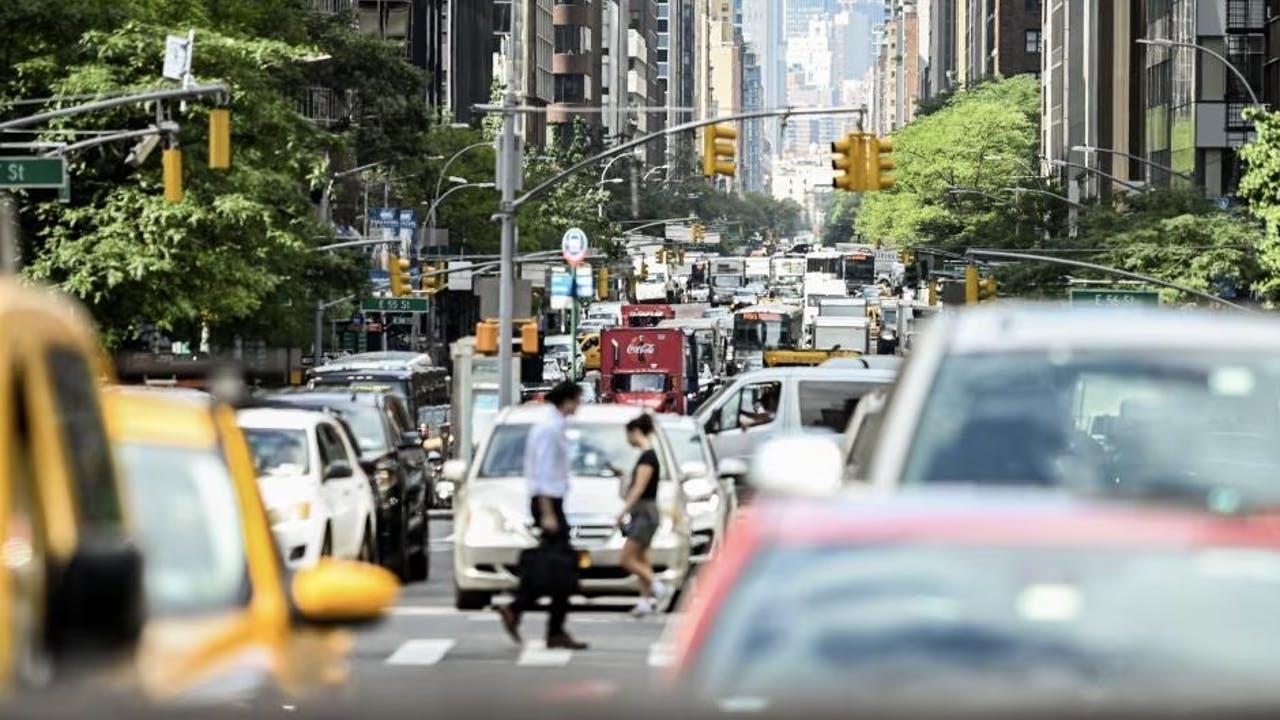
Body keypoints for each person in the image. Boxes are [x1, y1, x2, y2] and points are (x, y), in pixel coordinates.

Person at [497, 381, 588, 650]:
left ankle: (523, 611)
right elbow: (545, 474)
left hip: (548, 501)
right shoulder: (549, 429)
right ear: (568, 401)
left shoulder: (552, 425)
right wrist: (548, 513)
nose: (579, 406)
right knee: (561, 566)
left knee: (554, 566)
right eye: (577, 401)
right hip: (548, 502)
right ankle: (547, 625)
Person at [617, 414, 667, 616]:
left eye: (627, 434)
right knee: (642, 558)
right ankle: (645, 601)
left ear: (635, 432)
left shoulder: (647, 457)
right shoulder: (646, 456)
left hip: (645, 513)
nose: (626, 439)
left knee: (626, 559)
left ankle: (657, 586)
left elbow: (639, 488)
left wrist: (622, 512)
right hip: (643, 512)